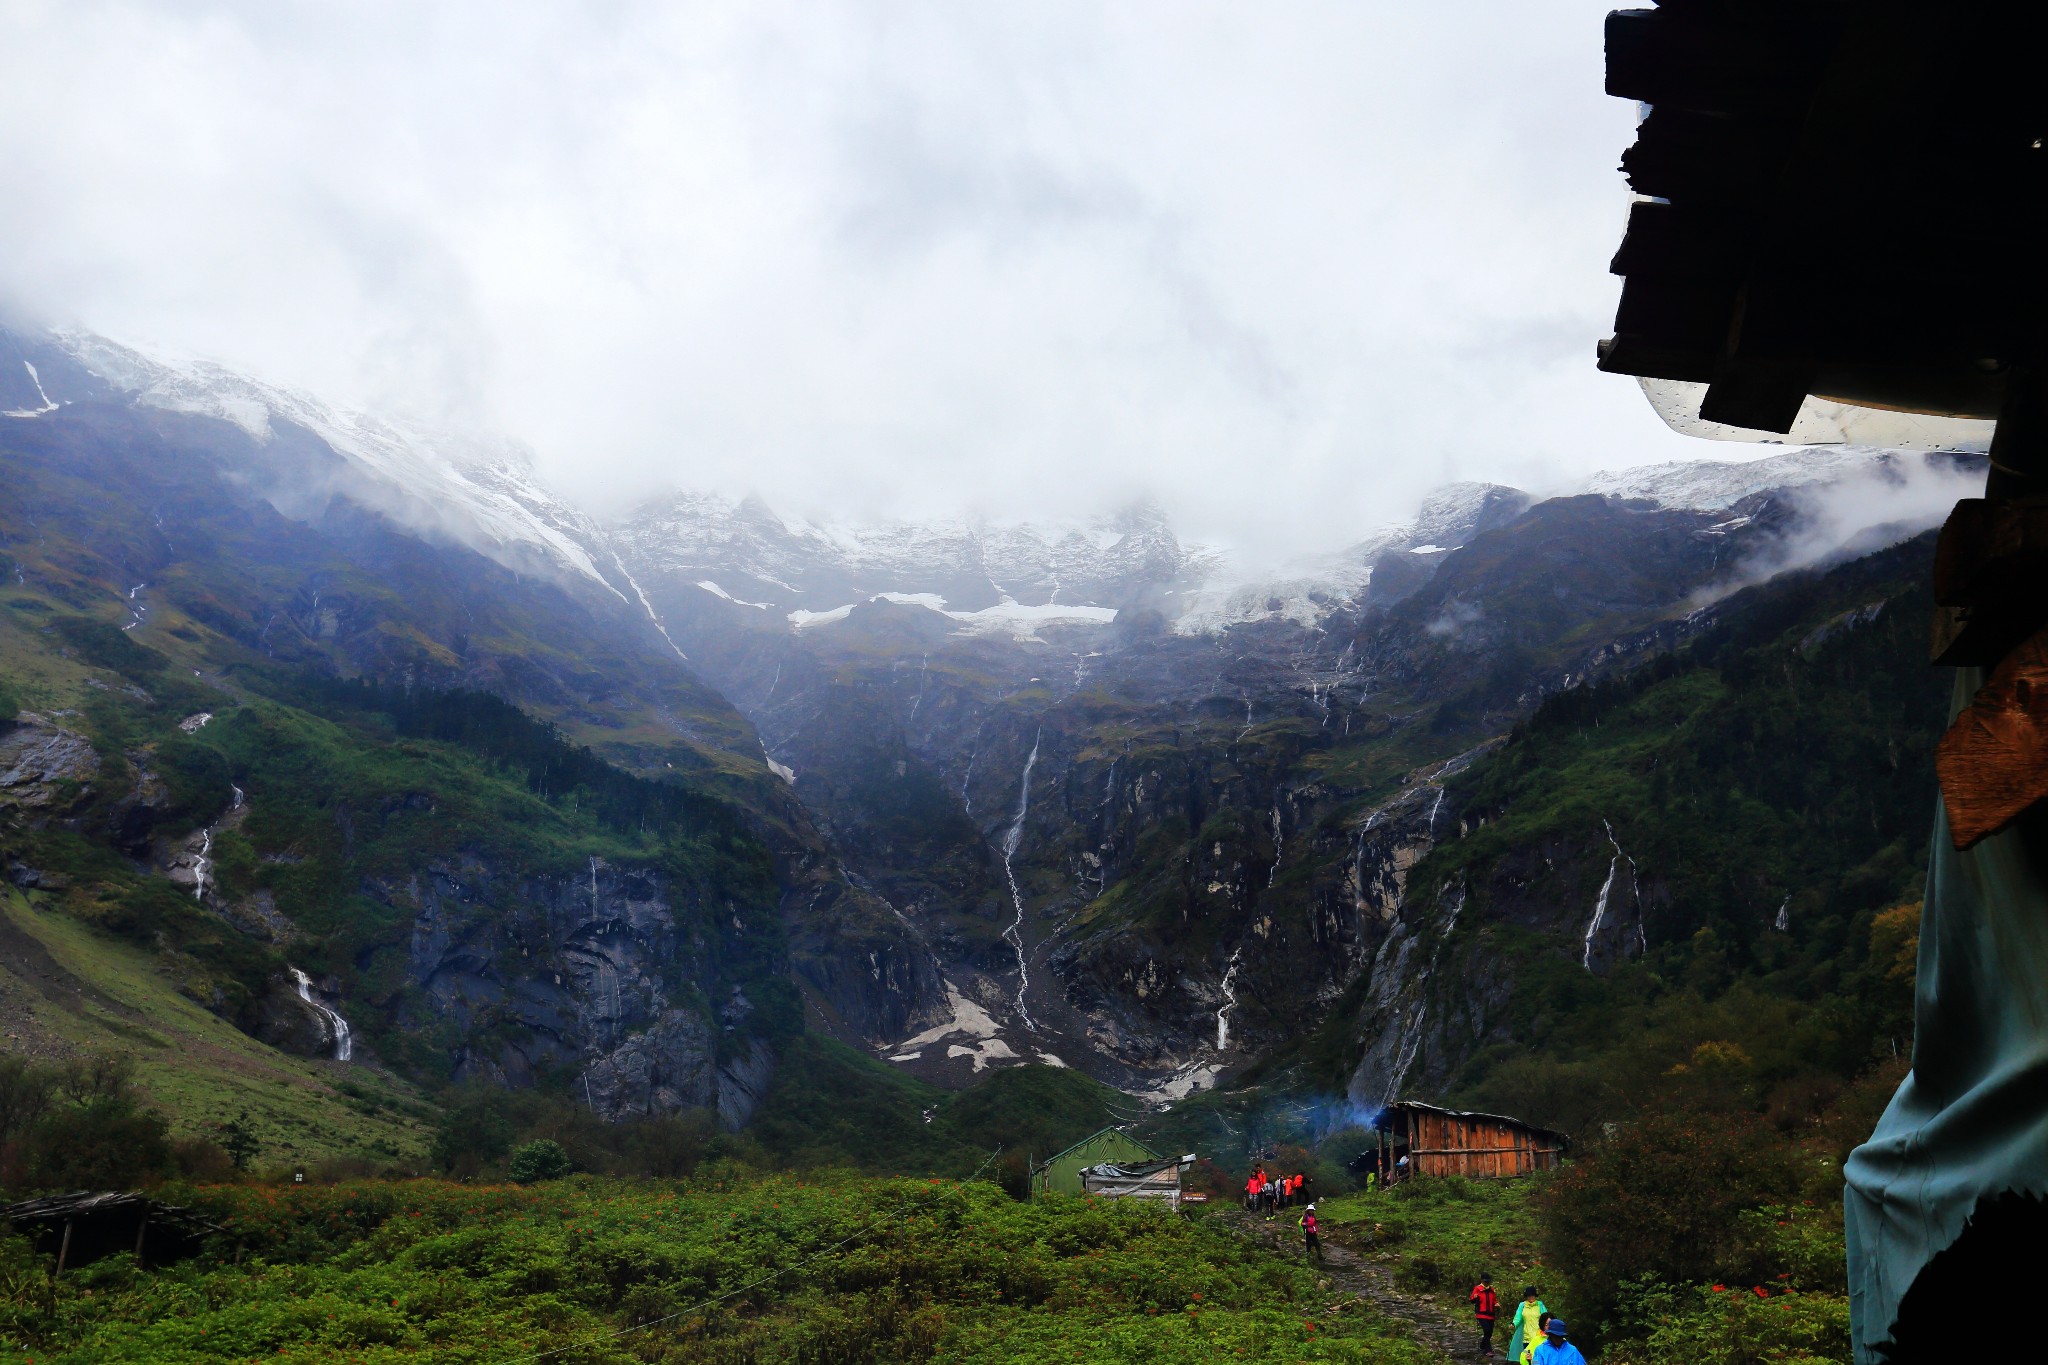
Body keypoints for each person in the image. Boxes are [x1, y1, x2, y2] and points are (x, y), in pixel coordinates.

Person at [1505, 1286, 1547, 1365]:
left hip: (1539, 1338)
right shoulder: (1522, 1305)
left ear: (1535, 1296)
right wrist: (1513, 1324)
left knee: (1537, 1359)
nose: (1531, 1297)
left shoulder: (1540, 1305)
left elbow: (1546, 1318)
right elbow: (1518, 1317)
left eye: (1532, 1295)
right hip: (1526, 1337)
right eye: (1529, 1295)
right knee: (1527, 1359)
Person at [1468, 1273, 1500, 1358]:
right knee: (1486, 1330)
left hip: (1491, 1314)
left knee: (1490, 1333)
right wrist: (1475, 1297)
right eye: (1485, 1281)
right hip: (1481, 1314)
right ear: (1482, 1280)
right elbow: (1471, 1299)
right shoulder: (1477, 1288)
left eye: (1488, 1281)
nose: (1486, 1283)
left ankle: (1482, 1345)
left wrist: (1496, 1304)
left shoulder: (1492, 1289)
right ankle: (1488, 1350)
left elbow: (1494, 1300)